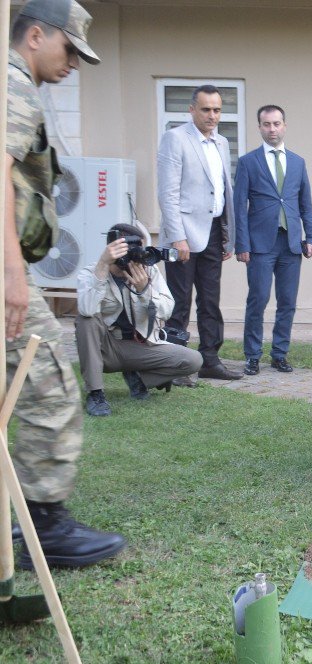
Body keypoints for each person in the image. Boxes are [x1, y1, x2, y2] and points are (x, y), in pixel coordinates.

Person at [4, 0, 126, 569]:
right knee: (49, 382)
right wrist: (11, 275)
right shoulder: (13, 86)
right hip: (4, 272)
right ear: (35, 35)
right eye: (69, 48)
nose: (75, 62)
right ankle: (44, 528)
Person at [156, 84, 242, 383]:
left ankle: (210, 360)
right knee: (179, 303)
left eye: (217, 110)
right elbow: (168, 194)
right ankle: (176, 366)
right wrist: (177, 236)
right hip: (183, 235)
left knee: (210, 300)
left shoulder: (221, 142)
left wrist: (228, 235)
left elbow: (222, 191)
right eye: (206, 109)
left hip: (214, 232)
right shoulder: (175, 139)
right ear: (192, 109)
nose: (212, 115)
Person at [75, 224, 204, 416]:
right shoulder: (91, 272)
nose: (139, 257)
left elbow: (168, 310)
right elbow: (87, 309)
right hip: (106, 349)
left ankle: (138, 378)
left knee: (193, 360)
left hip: (141, 346)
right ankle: (95, 393)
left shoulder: (149, 271)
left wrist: (145, 291)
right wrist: (103, 265)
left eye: (140, 249)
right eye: (133, 251)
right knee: (86, 319)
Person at [234, 105, 312, 375]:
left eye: (277, 124)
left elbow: (306, 205)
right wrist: (242, 244)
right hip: (259, 246)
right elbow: (239, 207)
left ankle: (280, 354)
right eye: (267, 124)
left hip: (291, 244)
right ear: (259, 127)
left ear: (284, 125)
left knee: (287, 302)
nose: (272, 129)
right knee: (257, 300)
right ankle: (253, 355)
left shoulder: (297, 162)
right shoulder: (248, 162)